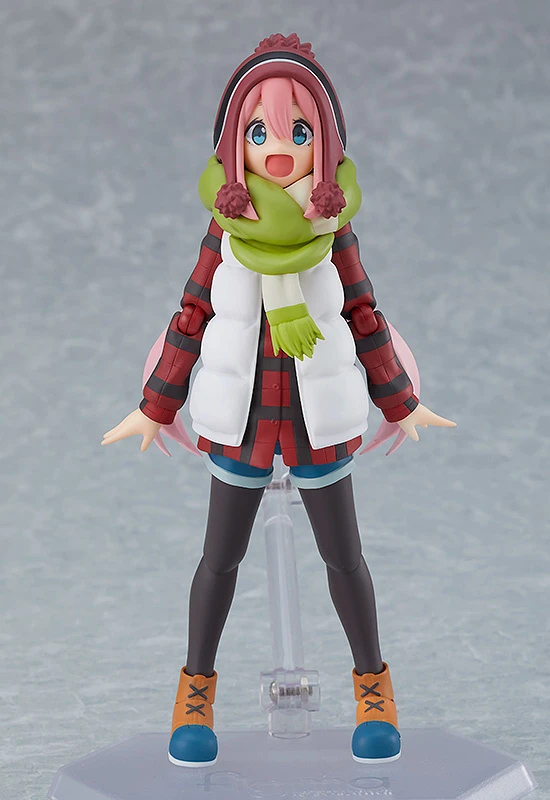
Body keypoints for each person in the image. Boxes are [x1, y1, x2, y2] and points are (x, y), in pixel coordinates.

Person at [102, 32, 455, 768]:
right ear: (235, 144)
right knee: (218, 562)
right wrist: (156, 404)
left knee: (345, 560)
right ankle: (194, 696)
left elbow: (363, 314)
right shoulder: (224, 232)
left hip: (318, 422)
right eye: (259, 133)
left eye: (299, 131)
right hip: (242, 423)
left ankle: (374, 691)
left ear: (326, 141)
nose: (281, 149)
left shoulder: (334, 229)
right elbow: (193, 314)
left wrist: (399, 399)